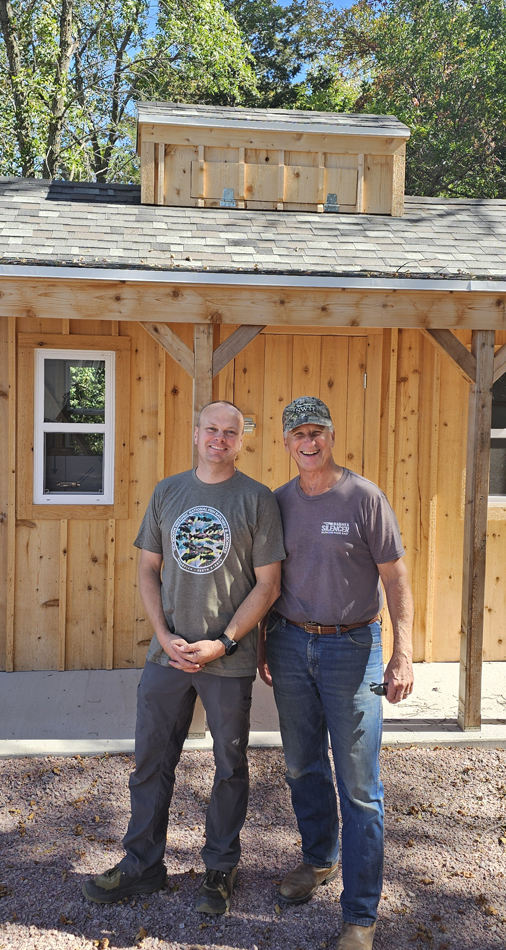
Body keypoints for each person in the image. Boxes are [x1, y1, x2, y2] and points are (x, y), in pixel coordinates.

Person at [83, 400, 284, 915]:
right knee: (151, 761)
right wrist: (163, 633)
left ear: (242, 440)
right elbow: (148, 569)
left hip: (229, 660)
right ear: (196, 434)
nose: (220, 438)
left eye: (231, 432)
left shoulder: (257, 499)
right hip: (165, 655)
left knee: (229, 766)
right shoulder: (168, 492)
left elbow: (268, 585)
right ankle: (142, 866)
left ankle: (220, 868)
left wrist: (226, 641)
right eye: (212, 429)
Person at [260, 396, 414, 950]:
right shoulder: (277, 503)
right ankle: (320, 859)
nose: (308, 441)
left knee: (360, 785)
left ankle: (361, 918)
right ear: (284, 441)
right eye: (298, 432)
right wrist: (261, 642)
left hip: (356, 648)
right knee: (302, 765)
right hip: (289, 644)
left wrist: (403, 652)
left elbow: (395, 579)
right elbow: (266, 581)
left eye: (317, 431)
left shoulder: (363, 498)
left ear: (330, 435)